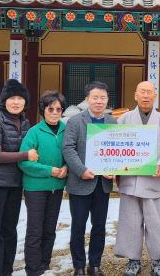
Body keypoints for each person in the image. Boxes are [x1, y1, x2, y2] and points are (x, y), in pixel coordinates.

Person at [115, 81, 160, 276]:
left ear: (155, 96)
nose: (145, 95)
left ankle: (158, 262)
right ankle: (133, 261)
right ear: (135, 95)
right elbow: (115, 147)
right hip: (130, 179)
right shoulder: (123, 120)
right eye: (142, 92)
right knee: (130, 222)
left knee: (156, 221)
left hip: (153, 179)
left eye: (149, 92)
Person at [0, 79, 38, 276]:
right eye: (12, 98)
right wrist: (25, 155)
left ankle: (6, 271)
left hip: (14, 184)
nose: (16, 102)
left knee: (9, 231)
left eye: (20, 98)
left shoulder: (25, 123)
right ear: (4, 100)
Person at [61, 81, 116, 276]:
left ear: (107, 99)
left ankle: (95, 265)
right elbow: (68, 148)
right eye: (95, 97)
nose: (99, 101)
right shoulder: (75, 122)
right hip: (80, 183)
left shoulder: (112, 122)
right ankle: (78, 266)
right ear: (87, 99)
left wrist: (114, 169)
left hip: (103, 184)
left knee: (99, 226)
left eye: (103, 97)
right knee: (78, 226)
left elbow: (115, 151)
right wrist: (81, 170)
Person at [18, 91, 69, 276]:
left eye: (58, 109)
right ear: (43, 110)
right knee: (35, 230)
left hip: (57, 188)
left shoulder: (66, 130)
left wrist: (66, 167)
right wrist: (49, 170)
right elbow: (23, 162)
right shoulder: (34, 132)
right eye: (50, 109)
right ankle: (32, 269)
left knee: (50, 229)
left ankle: (44, 264)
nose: (55, 112)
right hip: (36, 188)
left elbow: (71, 153)